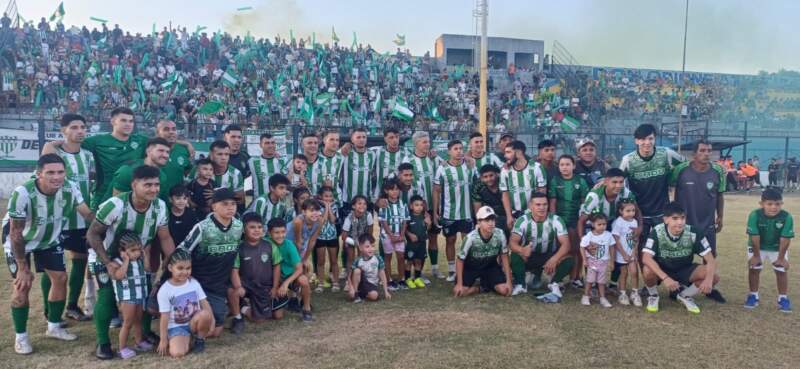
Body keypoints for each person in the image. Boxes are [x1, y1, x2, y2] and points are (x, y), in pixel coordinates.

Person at [5, 154, 93, 355]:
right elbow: (16, 233)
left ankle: (53, 327)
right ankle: (21, 337)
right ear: (39, 174)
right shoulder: (23, 192)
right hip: (20, 243)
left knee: (60, 278)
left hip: (49, 240)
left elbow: (87, 214)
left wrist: (106, 223)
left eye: (60, 172)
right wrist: (22, 267)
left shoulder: (70, 187)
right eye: (50, 172)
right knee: (22, 285)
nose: (56, 177)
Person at [87, 165, 175, 359]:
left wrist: (173, 262)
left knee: (142, 296)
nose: (153, 189)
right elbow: (92, 233)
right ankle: (103, 342)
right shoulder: (115, 205)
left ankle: (141, 335)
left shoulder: (160, 206)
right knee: (108, 296)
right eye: (148, 185)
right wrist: (108, 262)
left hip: (136, 258)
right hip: (106, 256)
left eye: (156, 185)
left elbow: (165, 237)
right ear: (134, 185)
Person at [43, 107, 148, 209]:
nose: (128, 124)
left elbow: (159, 148)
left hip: (133, 194)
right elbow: (71, 143)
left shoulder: (141, 141)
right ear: (113, 121)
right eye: (123, 120)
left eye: (131, 121)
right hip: (104, 195)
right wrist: (51, 145)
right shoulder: (97, 141)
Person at [177, 188, 243, 338]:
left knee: (215, 332)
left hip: (218, 284)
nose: (230, 207)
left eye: (233, 204)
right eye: (225, 204)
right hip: (197, 282)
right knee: (198, 328)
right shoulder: (202, 227)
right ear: (214, 206)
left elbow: (236, 254)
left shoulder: (239, 226)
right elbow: (182, 251)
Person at [670, 140, 727, 303]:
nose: (706, 153)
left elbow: (720, 195)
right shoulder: (680, 170)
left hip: (707, 223)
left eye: (709, 150)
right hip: (684, 224)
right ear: (694, 153)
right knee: (683, 257)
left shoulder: (718, 171)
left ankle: (709, 288)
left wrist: (720, 216)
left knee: (710, 255)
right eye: (702, 150)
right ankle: (679, 287)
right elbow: (669, 185)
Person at [54, 113, 97, 321]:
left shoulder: (88, 155)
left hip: (82, 219)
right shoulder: (55, 153)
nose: (79, 131)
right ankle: (50, 312)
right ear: (64, 130)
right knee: (52, 267)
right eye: (74, 127)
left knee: (81, 261)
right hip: (59, 219)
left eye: (82, 127)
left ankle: (72, 305)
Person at [641, 202, 718, 314]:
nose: (680, 222)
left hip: (684, 269)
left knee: (714, 277)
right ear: (666, 219)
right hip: (663, 268)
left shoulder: (694, 232)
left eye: (683, 218)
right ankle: (653, 295)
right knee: (647, 270)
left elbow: (710, 259)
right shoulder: (657, 232)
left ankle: (684, 295)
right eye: (675, 218)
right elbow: (646, 258)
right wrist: (666, 278)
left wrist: (709, 280)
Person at [619, 124, 684, 250]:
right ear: (636, 141)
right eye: (643, 139)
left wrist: (673, 178)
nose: (647, 142)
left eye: (650, 138)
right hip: (639, 214)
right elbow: (618, 180)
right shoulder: (628, 160)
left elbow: (686, 165)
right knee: (640, 248)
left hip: (662, 212)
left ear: (655, 139)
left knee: (664, 247)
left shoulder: (666, 154)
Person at [500, 140, 547, 295]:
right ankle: (519, 280)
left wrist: (533, 212)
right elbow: (505, 193)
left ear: (518, 152)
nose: (505, 155)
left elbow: (541, 192)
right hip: (514, 214)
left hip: (532, 214)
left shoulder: (536, 168)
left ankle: (535, 274)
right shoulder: (505, 170)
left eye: (508, 152)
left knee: (534, 245)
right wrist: (508, 215)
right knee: (514, 246)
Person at [508, 193, 574, 302]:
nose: (542, 208)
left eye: (545, 204)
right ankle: (521, 284)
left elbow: (566, 244)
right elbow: (512, 242)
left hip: (548, 256)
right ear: (530, 206)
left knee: (569, 260)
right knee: (514, 254)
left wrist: (554, 259)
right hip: (529, 256)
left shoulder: (556, 220)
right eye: (538, 205)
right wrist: (522, 250)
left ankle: (554, 283)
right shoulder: (522, 220)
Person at [229, 213, 286, 335]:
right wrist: (239, 287)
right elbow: (234, 270)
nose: (257, 230)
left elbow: (277, 267)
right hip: (246, 284)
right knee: (232, 291)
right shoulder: (239, 248)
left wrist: (275, 287)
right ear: (244, 229)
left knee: (260, 319)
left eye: (259, 227)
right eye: (252, 227)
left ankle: (244, 307)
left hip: (264, 286)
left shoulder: (269, 245)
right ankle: (237, 315)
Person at [156, 248, 214, 358]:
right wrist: (163, 339)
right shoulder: (165, 290)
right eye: (180, 268)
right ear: (170, 268)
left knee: (206, 314)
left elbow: (204, 302)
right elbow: (164, 316)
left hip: (193, 322)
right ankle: (185, 339)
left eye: (188, 268)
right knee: (177, 353)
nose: (185, 272)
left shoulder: (194, 283)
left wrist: (212, 320)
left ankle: (199, 339)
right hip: (176, 327)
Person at [743, 188, 794, 312]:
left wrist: (781, 258)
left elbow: (785, 238)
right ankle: (753, 295)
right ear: (762, 204)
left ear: (781, 203)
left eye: (777, 204)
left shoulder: (786, 217)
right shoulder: (754, 215)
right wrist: (756, 256)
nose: (773, 207)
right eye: (769, 204)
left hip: (777, 248)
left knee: (781, 271)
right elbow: (754, 236)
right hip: (757, 247)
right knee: (754, 269)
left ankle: (783, 298)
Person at [402, 131, 443, 279]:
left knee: (432, 238)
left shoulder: (434, 158)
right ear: (416, 144)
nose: (428, 144)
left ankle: (434, 268)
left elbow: (446, 166)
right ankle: (412, 273)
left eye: (428, 141)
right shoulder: (408, 160)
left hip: (432, 206)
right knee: (415, 241)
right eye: (424, 142)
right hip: (416, 209)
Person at [433, 140, 474, 282]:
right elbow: (437, 190)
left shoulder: (469, 166)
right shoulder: (442, 168)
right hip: (449, 213)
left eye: (461, 148)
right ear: (449, 151)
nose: (459, 151)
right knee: (450, 240)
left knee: (467, 241)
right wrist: (435, 212)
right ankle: (451, 271)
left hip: (466, 213)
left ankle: (467, 269)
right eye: (456, 149)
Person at [548, 155, 589, 289]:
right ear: (558, 167)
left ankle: (576, 277)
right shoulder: (555, 181)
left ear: (573, 166)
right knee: (563, 249)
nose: (564, 167)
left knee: (577, 249)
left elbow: (584, 202)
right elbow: (552, 202)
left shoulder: (580, 181)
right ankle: (559, 278)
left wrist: (582, 220)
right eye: (562, 165)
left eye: (567, 164)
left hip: (575, 220)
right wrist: (554, 220)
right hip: (560, 220)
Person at [453, 206, 512, 297]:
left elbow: (504, 256)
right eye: (486, 220)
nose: (491, 223)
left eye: (492, 220)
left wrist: (509, 281)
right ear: (479, 222)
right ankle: (480, 288)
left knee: (505, 291)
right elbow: (460, 260)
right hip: (471, 267)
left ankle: (486, 281)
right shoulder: (470, 238)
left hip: (490, 266)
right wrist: (459, 284)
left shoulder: (500, 234)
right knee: (460, 292)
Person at [110, 231, 151, 359]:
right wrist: (126, 260)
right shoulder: (117, 262)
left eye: (139, 249)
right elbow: (118, 276)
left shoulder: (139, 259)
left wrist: (144, 256)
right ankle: (122, 348)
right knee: (127, 323)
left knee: (138, 320)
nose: (137, 253)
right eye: (133, 250)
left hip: (140, 294)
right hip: (128, 297)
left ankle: (139, 342)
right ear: (122, 250)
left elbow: (147, 268)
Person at [269, 218, 314, 322]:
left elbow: (299, 269)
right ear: (269, 233)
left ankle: (306, 309)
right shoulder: (266, 243)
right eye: (276, 232)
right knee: (277, 315)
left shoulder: (289, 244)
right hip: (273, 278)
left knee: (303, 280)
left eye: (283, 232)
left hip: (290, 276)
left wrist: (285, 284)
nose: (281, 235)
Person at [107, 137, 172, 204]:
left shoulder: (162, 176)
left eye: (167, 152)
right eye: (161, 151)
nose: (165, 155)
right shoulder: (128, 171)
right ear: (148, 151)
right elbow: (116, 204)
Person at [378, 179, 410, 291]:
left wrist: (401, 235)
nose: (395, 192)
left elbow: (405, 220)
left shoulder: (402, 204)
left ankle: (401, 279)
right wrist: (391, 235)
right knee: (388, 257)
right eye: (392, 189)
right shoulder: (384, 204)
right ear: (386, 191)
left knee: (401, 257)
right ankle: (389, 280)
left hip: (399, 235)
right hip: (387, 235)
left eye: (397, 189)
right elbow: (383, 221)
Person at [579, 213, 615, 308]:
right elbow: (582, 247)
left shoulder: (608, 235)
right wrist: (584, 260)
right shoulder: (589, 236)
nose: (602, 226)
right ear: (593, 224)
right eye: (599, 224)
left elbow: (611, 247)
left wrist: (612, 261)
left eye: (604, 224)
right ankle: (586, 296)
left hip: (603, 263)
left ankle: (602, 298)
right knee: (590, 280)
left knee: (601, 281)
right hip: (592, 262)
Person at [197, 140, 245, 210]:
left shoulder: (235, 173)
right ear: (211, 154)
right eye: (219, 154)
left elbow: (241, 200)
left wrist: (219, 195)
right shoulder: (198, 169)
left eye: (226, 154)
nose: (223, 158)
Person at [611, 201, 642, 307]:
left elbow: (635, 238)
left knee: (634, 272)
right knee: (623, 273)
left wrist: (634, 251)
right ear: (621, 211)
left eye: (633, 210)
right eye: (628, 211)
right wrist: (624, 254)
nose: (631, 213)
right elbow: (616, 239)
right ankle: (623, 294)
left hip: (631, 253)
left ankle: (635, 293)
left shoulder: (634, 222)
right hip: (621, 254)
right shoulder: (618, 222)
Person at [340, 195, 375, 288]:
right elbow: (344, 236)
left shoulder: (368, 215)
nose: (362, 206)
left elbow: (370, 230)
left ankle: (362, 279)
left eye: (364, 204)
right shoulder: (349, 218)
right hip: (350, 239)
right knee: (350, 259)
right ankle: (349, 281)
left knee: (362, 258)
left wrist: (367, 243)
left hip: (363, 239)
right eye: (359, 203)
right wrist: (355, 243)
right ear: (353, 206)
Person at [347, 234, 392, 303]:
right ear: (360, 248)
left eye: (373, 246)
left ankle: (363, 295)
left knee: (374, 296)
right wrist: (351, 288)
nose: (371, 249)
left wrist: (386, 291)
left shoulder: (378, 258)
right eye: (367, 246)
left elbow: (382, 274)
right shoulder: (358, 260)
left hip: (372, 284)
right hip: (360, 284)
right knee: (356, 271)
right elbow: (350, 275)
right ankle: (356, 294)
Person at [340, 128, 376, 212]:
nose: (362, 139)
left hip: (366, 199)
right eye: (358, 137)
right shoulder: (345, 152)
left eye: (364, 137)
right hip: (348, 199)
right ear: (352, 139)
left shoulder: (372, 154)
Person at [155, 119, 195, 191]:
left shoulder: (184, 150)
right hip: (155, 199)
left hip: (176, 200)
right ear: (158, 133)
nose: (171, 132)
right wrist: (186, 143)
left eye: (174, 129)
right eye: (166, 129)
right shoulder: (149, 149)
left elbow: (188, 172)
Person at [314, 186, 341, 292]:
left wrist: (329, 207)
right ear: (320, 196)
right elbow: (323, 220)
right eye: (326, 196)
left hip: (332, 236)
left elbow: (333, 220)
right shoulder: (316, 207)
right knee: (321, 261)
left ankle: (336, 282)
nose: (328, 198)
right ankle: (320, 282)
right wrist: (326, 206)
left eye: (330, 196)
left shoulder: (335, 206)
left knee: (334, 260)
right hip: (320, 236)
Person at [286, 199, 323, 275]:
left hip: (301, 244)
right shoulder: (298, 221)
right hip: (288, 243)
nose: (315, 213)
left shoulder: (320, 221)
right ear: (304, 212)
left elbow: (312, 241)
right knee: (293, 268)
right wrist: (299, 260)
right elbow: (297, 242)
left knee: (304, 268)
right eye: (312, 210)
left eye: (317, 210)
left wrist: (305, 259)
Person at [369, 127, 407, 201]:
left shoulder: (406, 152)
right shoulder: (376, 151)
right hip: (380, 194)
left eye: (397, 137)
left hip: (399, 194)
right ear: (385, 139)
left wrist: (430, 154)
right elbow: (360, 150)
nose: (395, 140)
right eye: (391, 137)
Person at [247, 133, 288, 200]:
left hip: (279, 205)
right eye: (267, 143)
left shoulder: (283, 161)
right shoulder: (252, 162)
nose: (270, 145)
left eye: (273, 143)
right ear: (260, 145)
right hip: (259, 204)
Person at [472, 164, 508, 236]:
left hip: (507, 213)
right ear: (481, 178)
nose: (489, 179)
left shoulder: (504, 181)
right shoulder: (478, 187)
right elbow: (477, 209)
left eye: (491, 175)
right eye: (485, 177)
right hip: (490, 215)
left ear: (497, 174)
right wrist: (479, 223)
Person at [312, 131, 345, 204]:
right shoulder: (314, 156)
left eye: (337, 140)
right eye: (331, 139)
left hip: (337, 200)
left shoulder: (341, 157)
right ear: (324, 140)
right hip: (317, 202)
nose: (335, 143)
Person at [405, 195, 430, 289]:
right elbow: (404, 229)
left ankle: (417, 278)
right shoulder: (408, 217)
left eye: (421, 205)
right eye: (416, 205)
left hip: (422, 243)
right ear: (411, 206)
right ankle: (407, 279)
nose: (419, 207)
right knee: (409, 261)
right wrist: (410, 235)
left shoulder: (424, 216)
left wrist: (429, 223)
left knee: (419, 261)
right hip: (412, 244)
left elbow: (427, 228)